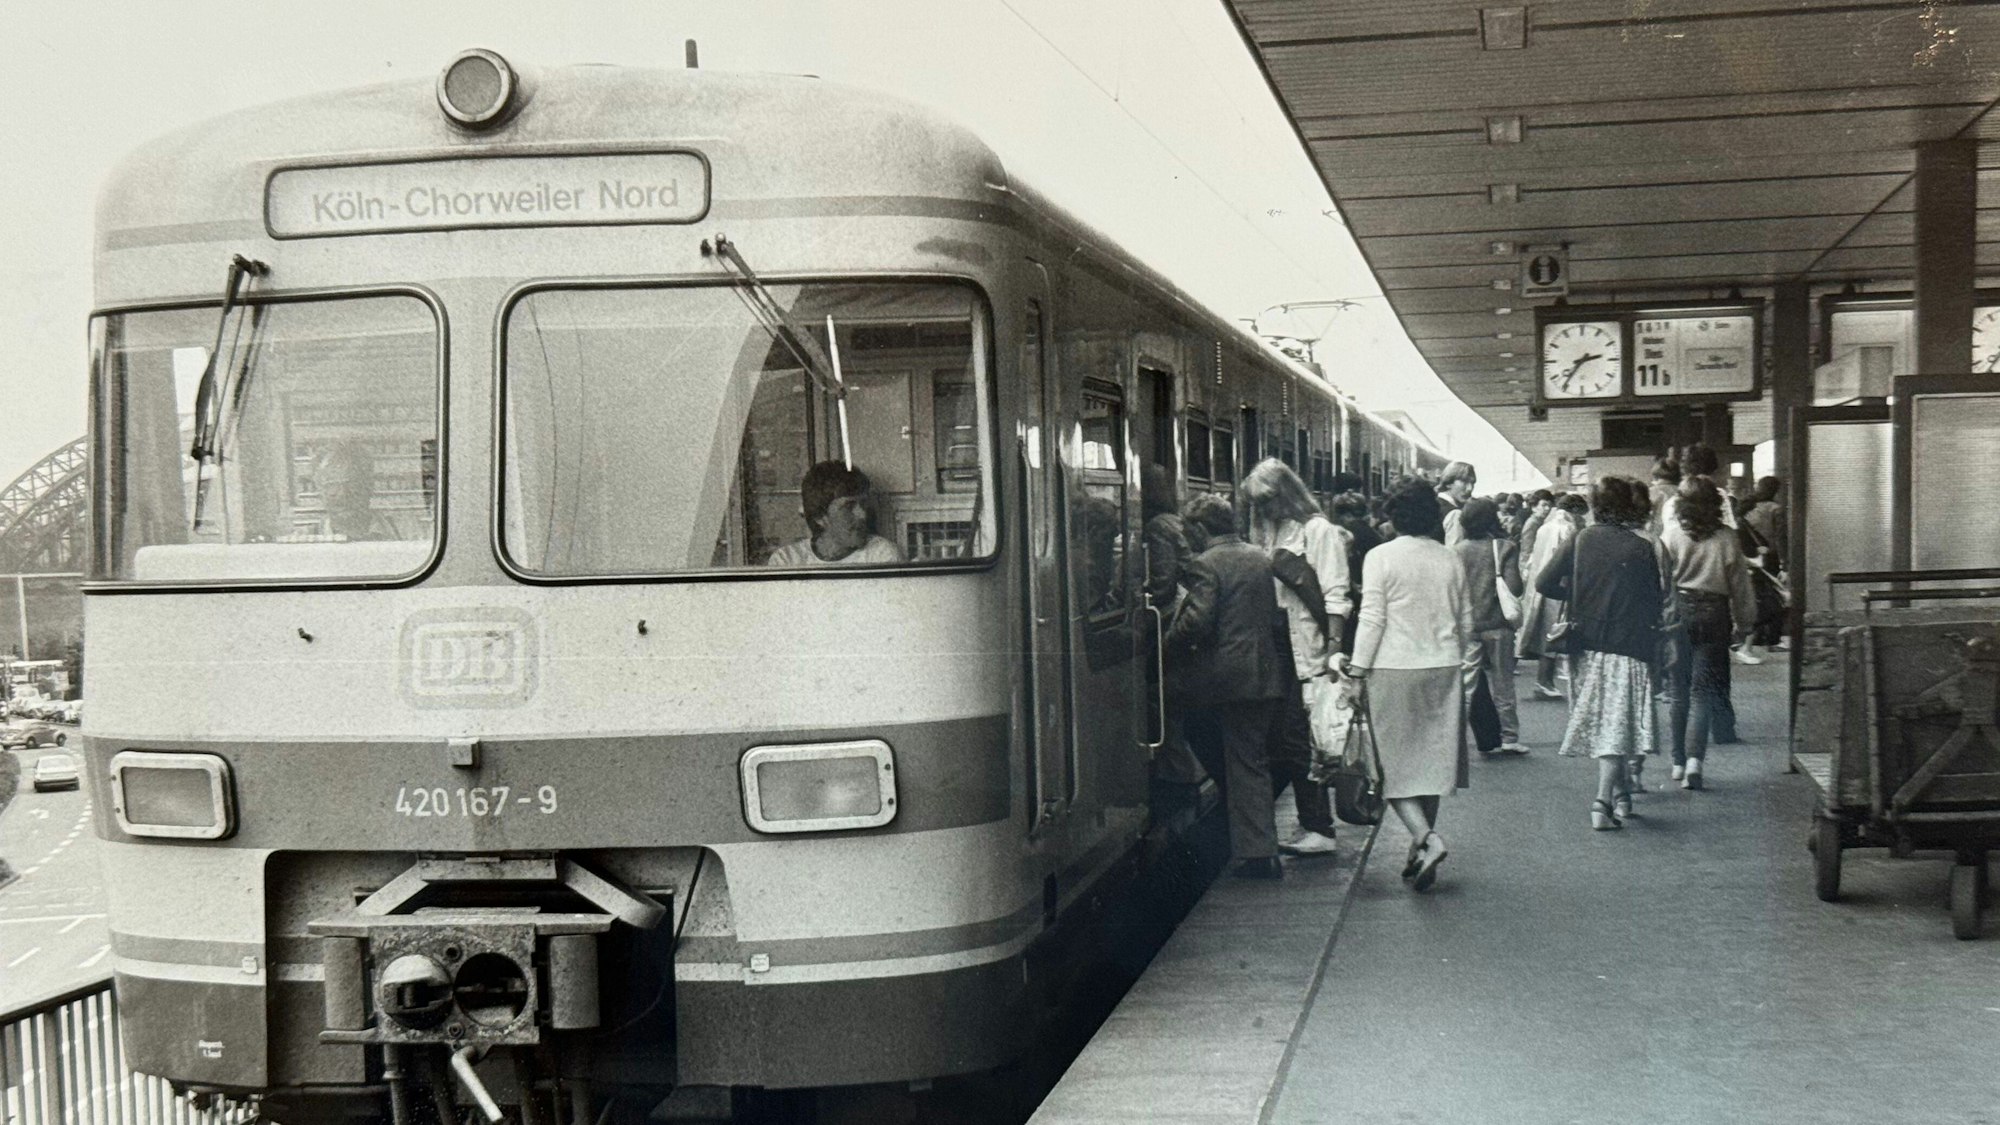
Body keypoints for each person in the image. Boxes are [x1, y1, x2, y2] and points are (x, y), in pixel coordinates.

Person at [1343, 477, 1478, 892]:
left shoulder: (1381, 557)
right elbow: (1466, 622)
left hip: (1393, 670)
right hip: (1443, 667)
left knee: (1391, 768)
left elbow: (1372, 620)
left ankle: (1426, 839)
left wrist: (1357, 672)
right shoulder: (1449, 558)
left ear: (1393, 515)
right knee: (1430, 766)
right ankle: (1419, 854)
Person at [1167, 494, 1291, 879]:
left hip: (1228, 679)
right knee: (1248, 758)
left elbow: (1198, 622)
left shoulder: (1206, 564)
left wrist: (1165, 640)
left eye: (1191, 530)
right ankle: (1251, 838)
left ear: (1202, 529)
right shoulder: (1259, 556)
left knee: (1242, 761)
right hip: (1265, 673)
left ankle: (1257, 854)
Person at [1537, 476, 1665, 828]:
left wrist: (1577, 596)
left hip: (1584, 646)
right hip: (1628, 644)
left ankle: (1621, 795)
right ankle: (1602, 803)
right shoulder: (1640, 548)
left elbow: (1543, 582)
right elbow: (1654, 600)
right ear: (1629, 507)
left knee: (1608, 723)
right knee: (1616, 726)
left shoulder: (1580, 539)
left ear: (1596, 505)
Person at [1242, 458, 1349, 857]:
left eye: (1268, 500)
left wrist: (1335, 647)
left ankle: (1319, 826)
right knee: (1293, 736)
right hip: (1277, 643)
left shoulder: (1318, 530)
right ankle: (1314, 824)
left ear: (1286, 492)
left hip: (1309, 646)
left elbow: (1336, 592)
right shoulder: (1269, 530)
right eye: (1256, 503)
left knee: (1300, 735)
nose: (1263, 509)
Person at [1659, 477, 1758, 791]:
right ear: (1716, 505)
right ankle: (1694, 763)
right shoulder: (1728, 538)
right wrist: (1745, 624)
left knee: (1679, 691)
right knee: (1703, 692)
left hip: (1678, 613)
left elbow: (1661, 582)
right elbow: (1741, 587)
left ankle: (1676, 762)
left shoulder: (1671, 536)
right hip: (1715, 614)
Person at [1454, 498, 1527, 755]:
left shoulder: (1457, 550)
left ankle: (1455, 740)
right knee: (1503, 683)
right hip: (1498, 625)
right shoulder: (1504, 547)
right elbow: (1515, 587)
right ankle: (1509, 736)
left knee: (1466, 683)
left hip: (1468, 626)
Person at [765, 461, 905, 566]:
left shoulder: (881, 555)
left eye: (863, 504)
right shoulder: (787, 560)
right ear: (820, 517)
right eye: (849, 507)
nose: (863, 514)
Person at [1517, 492, 1587, 701]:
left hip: (1542, 585)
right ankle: (1545, 681)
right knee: (1555, 633)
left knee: (1545, 633)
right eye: (1582, 515)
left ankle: (1544, 681)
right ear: (1574, 511)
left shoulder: (1545, 527)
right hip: (1560, 587)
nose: (1583, 519)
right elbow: (1569, 560)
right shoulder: (1567, 529)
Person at [1434, 461, 1477, 545]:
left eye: (1472, 483)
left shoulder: (1431, 504)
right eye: (1464, 482)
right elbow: (1455, 553)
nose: (1469, 488)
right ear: (1448, 483)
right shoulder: (1454, 514)